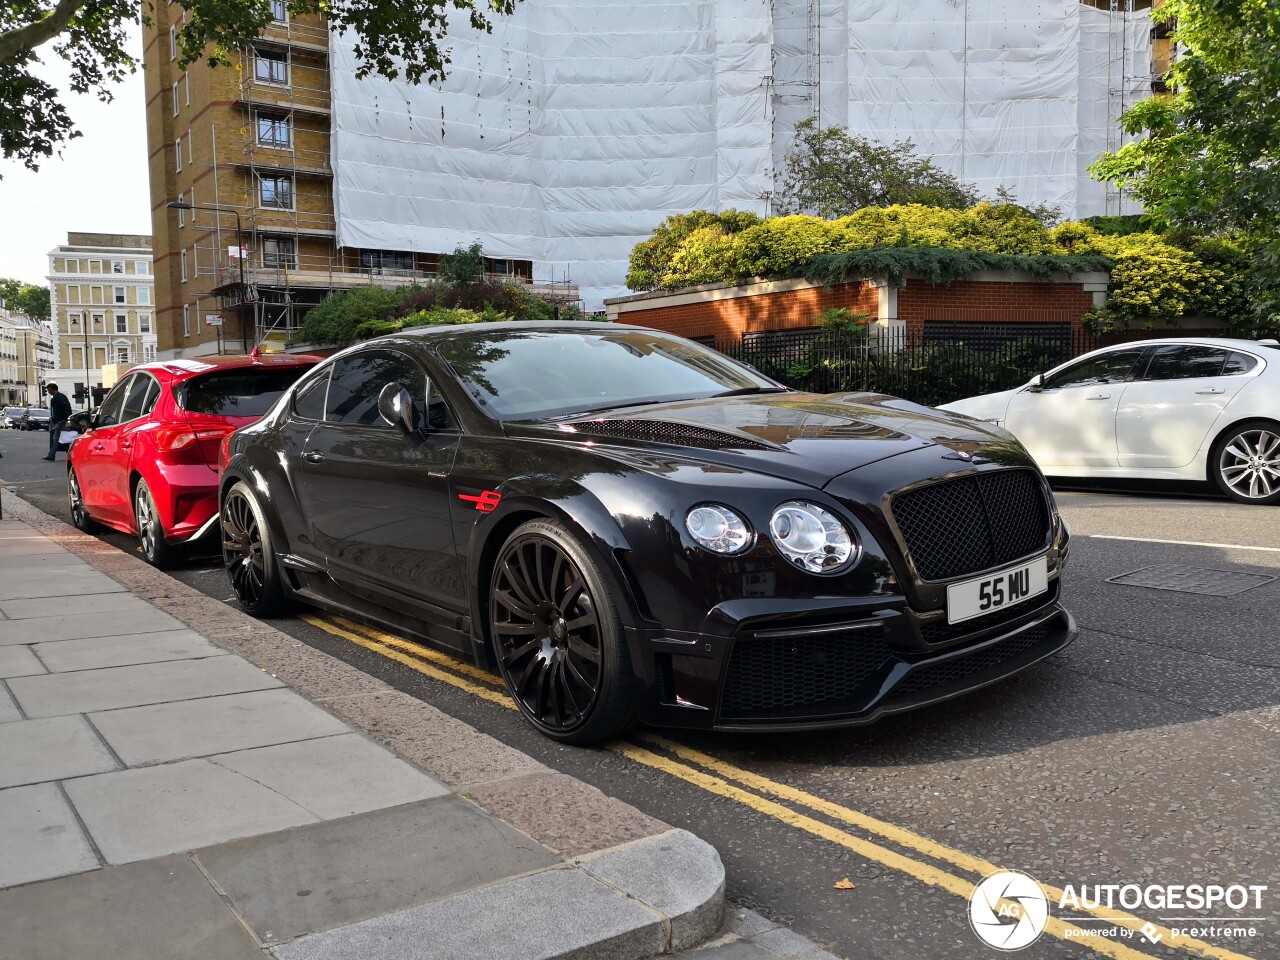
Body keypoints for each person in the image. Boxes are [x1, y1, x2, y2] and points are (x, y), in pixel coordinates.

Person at [43, 382, 72, 462]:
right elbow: (67, 409)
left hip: (60, 421)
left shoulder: (57, 398)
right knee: (65, 439)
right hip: (62, 420)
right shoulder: (61, 397)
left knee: (56, 439)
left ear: (54, 389)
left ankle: (51, 455)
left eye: (49, 390)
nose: (48, 392)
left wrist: (57, 420)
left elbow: (60, 410)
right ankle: (70, 455)